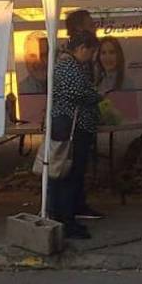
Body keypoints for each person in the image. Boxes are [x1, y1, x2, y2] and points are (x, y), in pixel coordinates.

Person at [48, 31, 102, 241]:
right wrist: (96, 95)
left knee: (71, 173)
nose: (91, 57)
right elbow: (77, 92)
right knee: (67, 172)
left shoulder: (69, 64)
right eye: (91, 52)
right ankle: (66, 220)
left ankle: (69, 213)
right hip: (71, 127)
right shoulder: (67, 65)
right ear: (81, 49)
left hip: (73, 125)